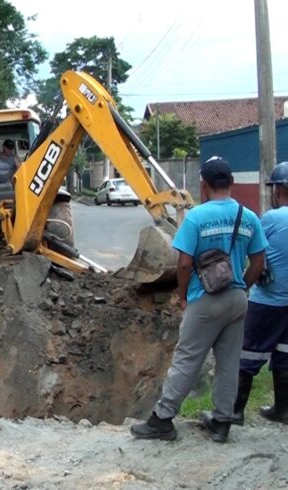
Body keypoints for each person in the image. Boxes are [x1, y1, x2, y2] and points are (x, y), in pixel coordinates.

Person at [131, 156, 266, 443]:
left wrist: (183, 297)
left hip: (204, 299)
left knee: (187, 358)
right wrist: (244, 288)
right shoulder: (249, 216)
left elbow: (183, 264)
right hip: (236, 300)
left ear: (203, 185)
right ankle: (222, 421)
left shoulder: (196, 217)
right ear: (230, 183)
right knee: (229, 361)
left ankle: (163, 420)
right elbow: (258, 263)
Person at [232, 161, 288, 425]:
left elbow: (250, 250)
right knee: (286, 355)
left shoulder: (271, 219)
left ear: (278, 190)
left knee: (248, 354)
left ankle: (235, 411)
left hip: (267, 301)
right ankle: (283, 409)